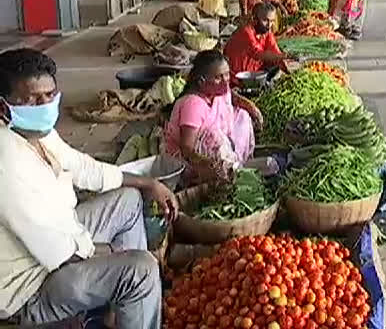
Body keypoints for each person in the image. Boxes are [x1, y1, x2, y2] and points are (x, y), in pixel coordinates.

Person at [0, 48, 178, 328]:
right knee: (141, 270)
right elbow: (54, 249)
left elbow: (84, 167)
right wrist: (107, 256)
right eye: (33, 100)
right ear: (3, 107)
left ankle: (121, 312)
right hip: (31, 285)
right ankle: (132, 294)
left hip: (63, 237)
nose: (45, 105)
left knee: (128, 201)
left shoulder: (37, 134)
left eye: (50, 95)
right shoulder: (5, 160)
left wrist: (147, 182)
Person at [164, 50, 262, 186]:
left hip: (220, 144)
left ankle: (235, 164)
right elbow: (187, 148)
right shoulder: (193, 104)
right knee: (215, 138)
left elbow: (231, 96)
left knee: (243, 116)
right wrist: (207, 163)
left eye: (227, 74)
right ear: (201, 81)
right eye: (218, 77)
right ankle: (226, 172)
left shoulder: (217, 90)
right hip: (192, 161)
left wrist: (250, 106)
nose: (226, 80)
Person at [225, 2, 292, 79]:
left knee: (276, 63)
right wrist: (284, 56)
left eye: (272, 21)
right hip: (238, 75)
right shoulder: (246, 31)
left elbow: (275, 51)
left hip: (253, 70)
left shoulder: (267, 32)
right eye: (265, 20)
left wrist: (289, 73)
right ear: (255, 18)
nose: (269, 25)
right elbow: (258, 54)